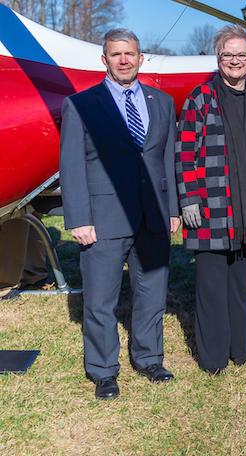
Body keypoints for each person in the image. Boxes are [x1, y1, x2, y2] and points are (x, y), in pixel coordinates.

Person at [59, 28, 180, 399]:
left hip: (153, 215)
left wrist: (172, 208)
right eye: (116, 54)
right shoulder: (81, 104)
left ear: (141, 58)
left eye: (130, 54)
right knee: (99, 300)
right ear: (104, 59)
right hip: (103, 218)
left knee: (152, 294)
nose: (124, 60)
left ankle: (149, 358)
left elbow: (167, 159)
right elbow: (72, 165)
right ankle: (103, 370)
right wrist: (79, 218)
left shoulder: (161, 102)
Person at [175, 25, 246, 374]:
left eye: (241, 55)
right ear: (218, 58)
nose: (234, 60)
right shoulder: (200, 98)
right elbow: (185, 152)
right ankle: (213, 358)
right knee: (211, 287)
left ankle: (240, 351)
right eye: (228, 55)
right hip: (211, 208)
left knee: (240, 285)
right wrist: (189, 198)